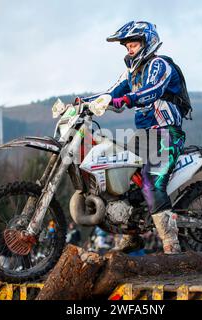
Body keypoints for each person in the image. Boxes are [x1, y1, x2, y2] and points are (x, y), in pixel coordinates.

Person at [80, 21, 191, 255]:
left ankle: (171, 243)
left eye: (134, 44)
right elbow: (111, 93)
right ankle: (132, 234)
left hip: (166, 133)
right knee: (121, 181)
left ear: (147, 42)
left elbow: (153, 91)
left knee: (152, 182)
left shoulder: (159, 65)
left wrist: (127, 100)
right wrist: (84, 102)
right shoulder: (131, 72)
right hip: (143, 135)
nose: (130, 49)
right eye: (127, 46)